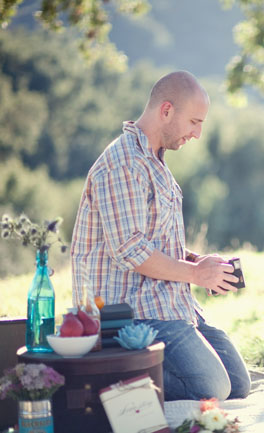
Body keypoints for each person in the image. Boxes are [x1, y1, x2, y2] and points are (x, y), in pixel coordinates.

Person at [70, 70, 251, 401]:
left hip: (169, 303)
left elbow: (156, 240)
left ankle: (132, 374)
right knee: (212, 388)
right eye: (194, 122)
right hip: (129, 313)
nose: (197, 134)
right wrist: (196, 274)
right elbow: (132, 251)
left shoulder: (154, 160)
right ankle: (108, 383)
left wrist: (200, 262)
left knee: (238, 384)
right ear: (166, 110)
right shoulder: (123, 163)